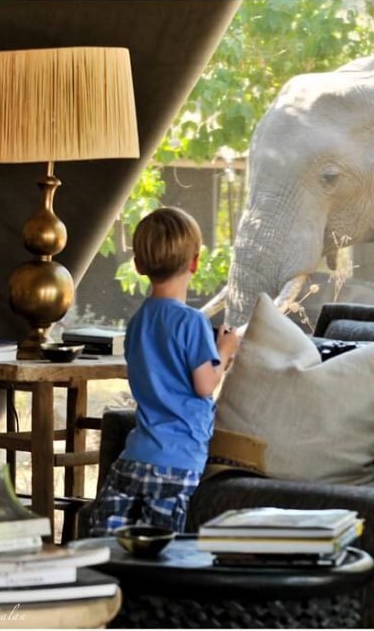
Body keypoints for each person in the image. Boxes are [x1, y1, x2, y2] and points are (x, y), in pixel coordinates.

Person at [89, 207, 240, 535]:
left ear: (139, 265)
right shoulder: (193, 322)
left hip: (134, 455)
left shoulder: (138, 322)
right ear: (195, 262)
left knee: (110, 546)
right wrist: (224, 352)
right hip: (178, 461)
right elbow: (203, 385)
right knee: (161, 551)